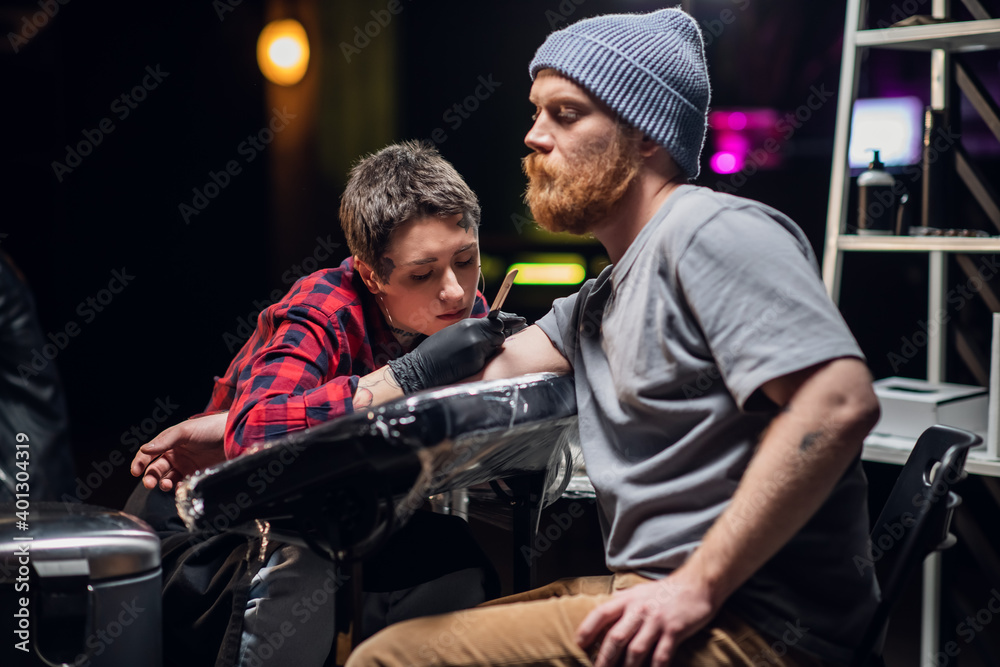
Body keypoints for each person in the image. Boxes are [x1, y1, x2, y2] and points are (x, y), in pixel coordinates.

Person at [344, 9, 880, 667]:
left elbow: (838, 402)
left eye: (565, 114)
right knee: (409, 634)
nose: (533, 136)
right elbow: (480, 372)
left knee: (387, 658)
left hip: (753, 623)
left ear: (645, 135)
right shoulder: (604, 295)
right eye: (536, 112)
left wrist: (697, 584)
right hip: (662, 594)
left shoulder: (706, 231)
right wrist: (238, 423)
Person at [127, 140, 525, 667]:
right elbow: (254, 434)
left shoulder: (462, 309)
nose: (454, 292)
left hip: (338, 511)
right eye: (422, 274)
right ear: (370, 275)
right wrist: (410, 375)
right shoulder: (324, 307)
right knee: (305, 563)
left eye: (466, 259)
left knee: (453, 564)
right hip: (202, 526)